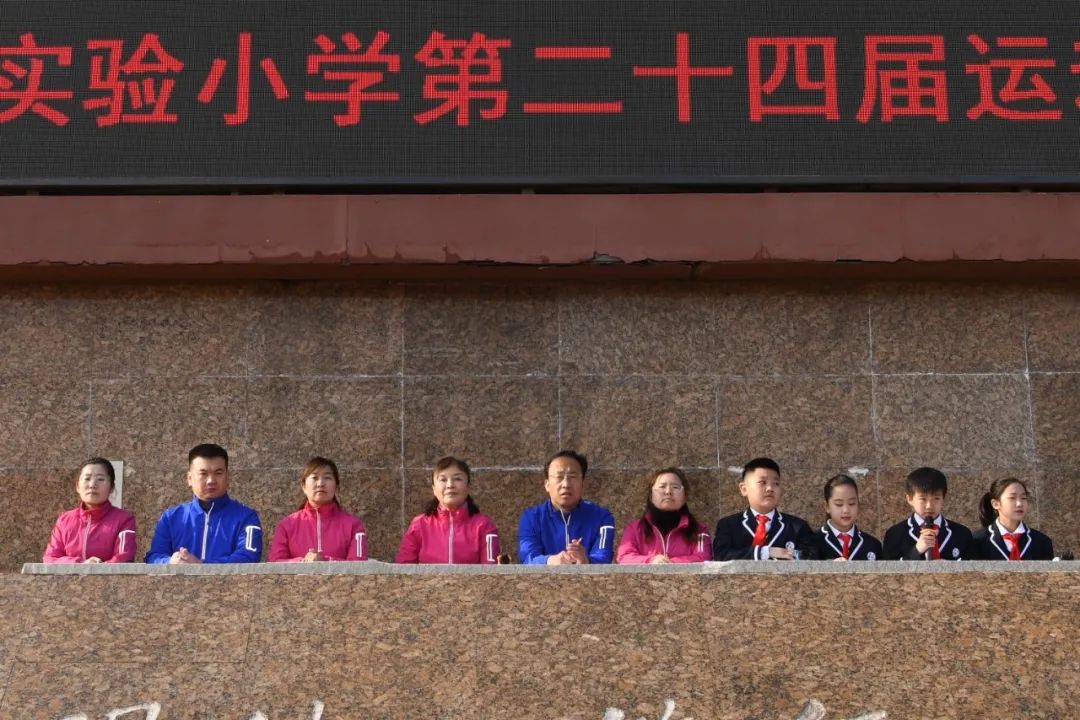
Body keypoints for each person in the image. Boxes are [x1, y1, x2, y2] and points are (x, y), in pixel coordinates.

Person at [146, 443, 262, 564]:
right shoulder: (171, 518)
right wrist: (171, 561)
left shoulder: (246, 517)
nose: (211, 480)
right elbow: (154, 557)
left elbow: (248, 557)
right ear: (189, 478)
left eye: (218, 473)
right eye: (203, 474)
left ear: (227, 477)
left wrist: (201, 565)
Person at [396, 456, 500, 564]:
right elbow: (404, 570)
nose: (450, 485)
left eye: (457, 479)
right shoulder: (419, 525)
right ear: (434, 489)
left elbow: (490, 572)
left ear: (468, 487)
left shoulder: (484, 525)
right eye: (443, 479)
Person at [518, 450, 616, 565]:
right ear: (547, 485)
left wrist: (587, 561)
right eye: (559, 477)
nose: (566, 484)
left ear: (583, 483)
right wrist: (550, 561)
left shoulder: (602, 517)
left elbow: (604, 556)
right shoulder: (531, 518)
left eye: (572, 477)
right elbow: (528, 558)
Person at [712, 457, 817, 560]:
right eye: (763, 483)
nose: (770, 488)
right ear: (744, 489)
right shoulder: (729, 525)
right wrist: (765, 552)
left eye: (776, 483)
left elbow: (812, 557)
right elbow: (721, 555)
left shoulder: (797, 527)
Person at [269, 457, 368, 562]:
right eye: (315, 478)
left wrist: (324, 561)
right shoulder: (287, 525)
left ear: (336, 487)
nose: (320, 484)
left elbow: (358, 564)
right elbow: (275, 561)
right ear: (303, 486)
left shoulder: (354, 525)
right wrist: (303, 562)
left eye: (327, 478)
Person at [44, 458, 136, 564]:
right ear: (78, 486)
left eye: (100, 479)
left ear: (111, 488)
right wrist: (81, 563)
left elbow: (124, 557)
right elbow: (51, 558)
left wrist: (98, 569)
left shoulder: (124, 519)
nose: (92, 485)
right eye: (87, 479)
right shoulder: (64, 520)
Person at [617, 468, 711, 564]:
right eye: (662, 487)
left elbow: (703, 558)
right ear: (651, 496)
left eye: (675, 487)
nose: (668, 492)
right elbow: (624, 557)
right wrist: (651, 561)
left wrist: (670, 563)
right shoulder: (634, 528)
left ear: (684, 497)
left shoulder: (699, 530)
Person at [882, 466, 971, 561]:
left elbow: (975, 571)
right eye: (923, 499)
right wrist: (916, 550)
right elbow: (887, 571)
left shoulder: (962, 533)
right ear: (910, 499)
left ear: (943, 499)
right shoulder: (895, 534)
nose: (929, 506)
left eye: (936, 498)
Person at [965, 477, 1055, 560]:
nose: (1019, 503)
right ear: (996, 504)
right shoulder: (977, 540)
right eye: (1012, 498)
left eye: (1023, 498)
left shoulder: (1041, 541)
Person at [814, 474, 882, 561]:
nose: (846, 510)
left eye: (851, 503)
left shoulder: (872, 544)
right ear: (827, 506)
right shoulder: (814, 541)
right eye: (839, 504)